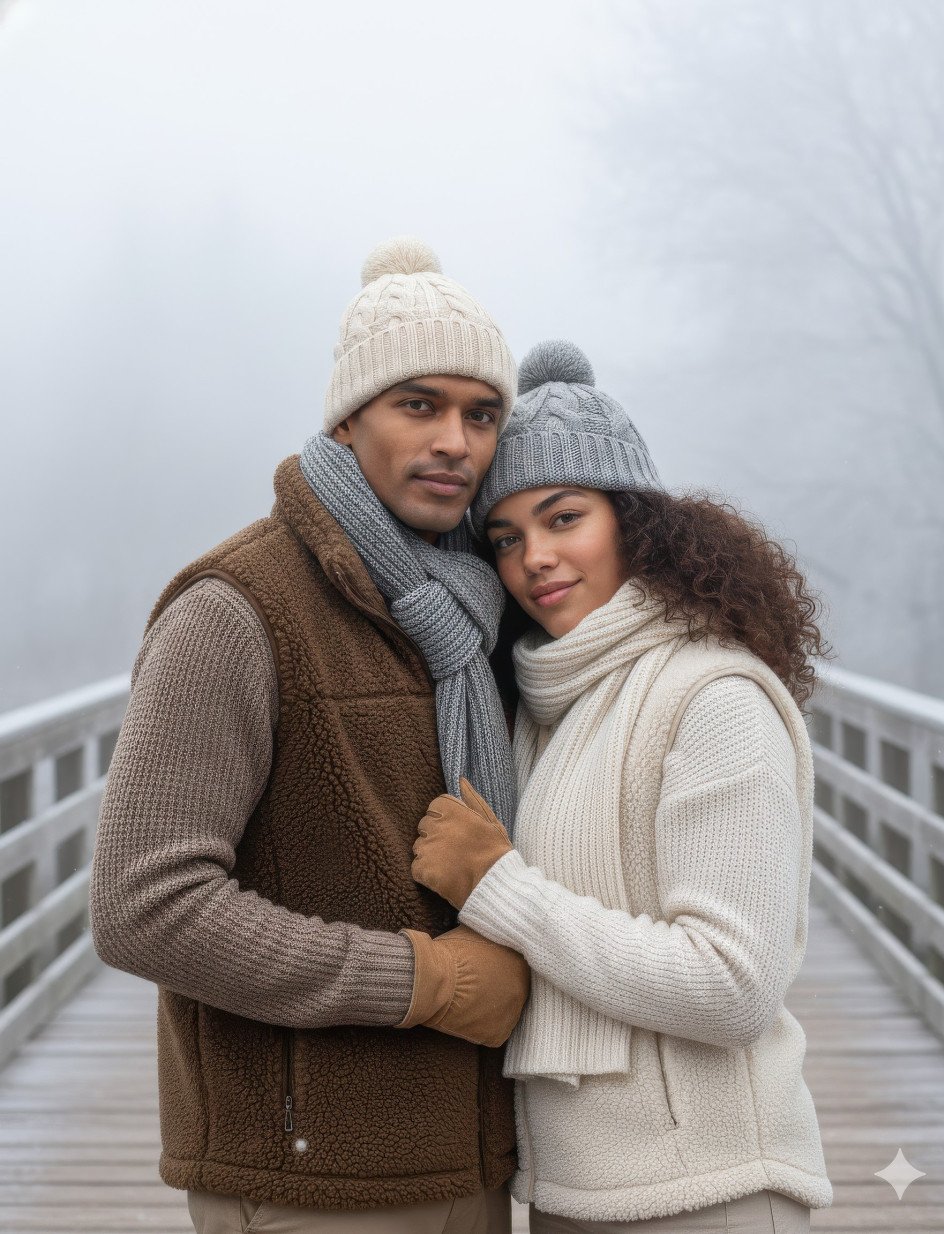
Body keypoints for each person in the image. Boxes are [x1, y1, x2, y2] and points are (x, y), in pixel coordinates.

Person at [89, 237, 530, 1234]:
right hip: (308, 1180)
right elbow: (143, 905)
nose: (456, 440)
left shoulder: (472, 616)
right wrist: (425, 979)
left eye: (481, 413)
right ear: (347, 418)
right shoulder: (237, 610)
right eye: (418, 404)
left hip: (478, 1152)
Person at [411, 340, 835, 1233]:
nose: (534, 558)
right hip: (572, 1189)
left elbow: (733, 985)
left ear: (635, 521)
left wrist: (499, 890)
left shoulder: (712, 695)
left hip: (712, 1190)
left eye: (564, 518)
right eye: (506, 537)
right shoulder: (541, 701)